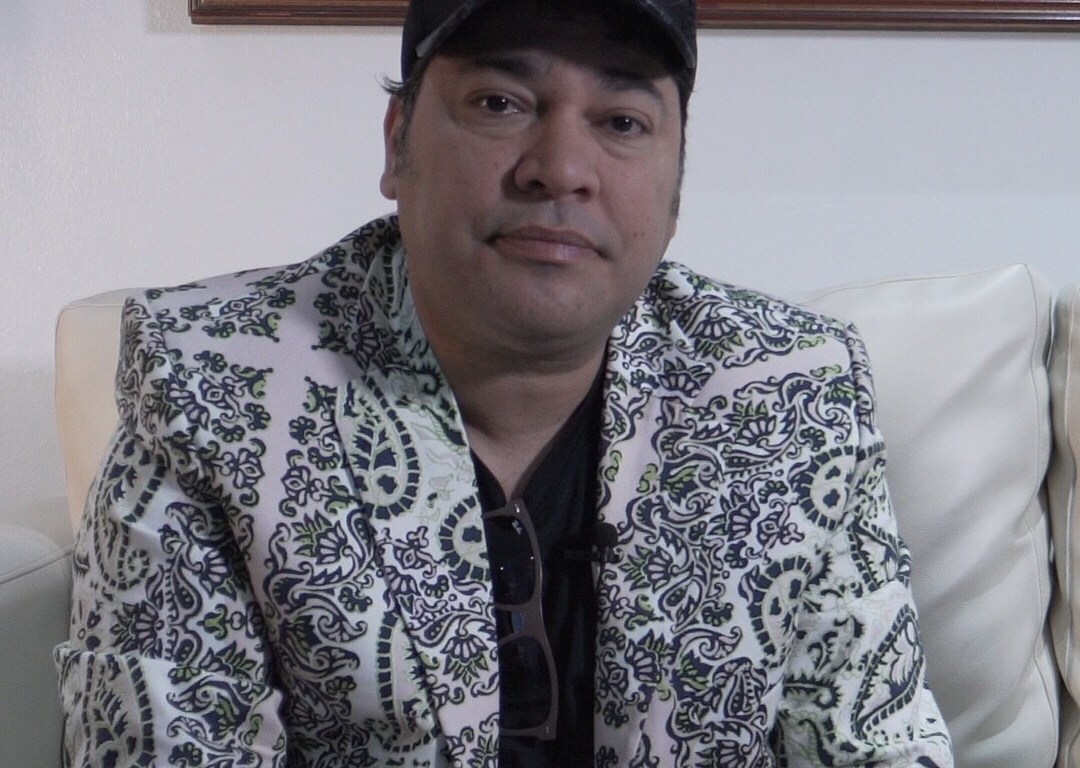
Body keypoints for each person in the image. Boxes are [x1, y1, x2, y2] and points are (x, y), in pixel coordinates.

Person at [55, 0, 954, 765]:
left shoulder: (791, 393)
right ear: (398, 141)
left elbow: (877, 741)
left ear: (677, 179)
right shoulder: (209, 380)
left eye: (622, 122)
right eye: (500, 102)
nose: (559, 169)